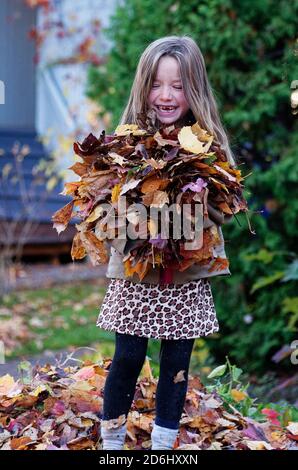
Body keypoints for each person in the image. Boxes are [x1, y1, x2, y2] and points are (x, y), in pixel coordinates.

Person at [97, 35, 237, 450]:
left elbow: (222, 209)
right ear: (144, 87)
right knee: (127, 358)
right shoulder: (126, 145)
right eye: (158, 84)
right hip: (136, 276)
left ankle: (163, 446)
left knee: (176, 363)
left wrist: (193, 202)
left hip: (186, 277)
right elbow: (107, 213)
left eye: (177, 86)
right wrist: (133, 222)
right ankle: (111, 444)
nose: (166, 95)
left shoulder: (208, 148)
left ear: (193, 90)